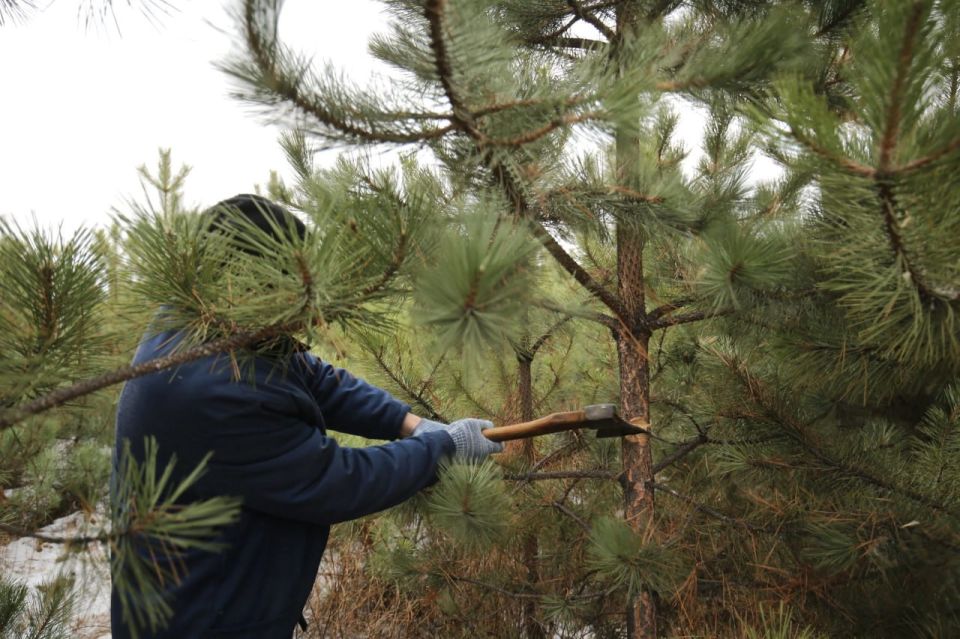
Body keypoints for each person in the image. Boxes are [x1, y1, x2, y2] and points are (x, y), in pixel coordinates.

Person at [110, 194, 503, 639]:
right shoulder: (209, 389)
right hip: (198, 619)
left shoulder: (211, 325)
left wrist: (408, 423)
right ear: (248, 283)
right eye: (293, 289)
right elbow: (332, 481)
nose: (307, 312)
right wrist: (443, 447)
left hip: (223, 596)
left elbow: (312, 376)